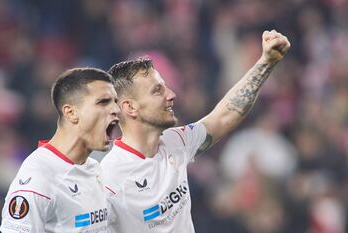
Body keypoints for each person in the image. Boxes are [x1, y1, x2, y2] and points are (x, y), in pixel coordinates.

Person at [100, 30, 291, 232]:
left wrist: (265, 63)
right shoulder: (110, 179)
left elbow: (224, 116)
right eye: (158, 91)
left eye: (166, 87)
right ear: (130, 108)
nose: (171, 95)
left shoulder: (175, 141)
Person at [0, 68, 120, 233]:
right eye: (103, 102)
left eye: (115, 101)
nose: (116, 109)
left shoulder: (94, 168)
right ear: (71, 113)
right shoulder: (38, 177)